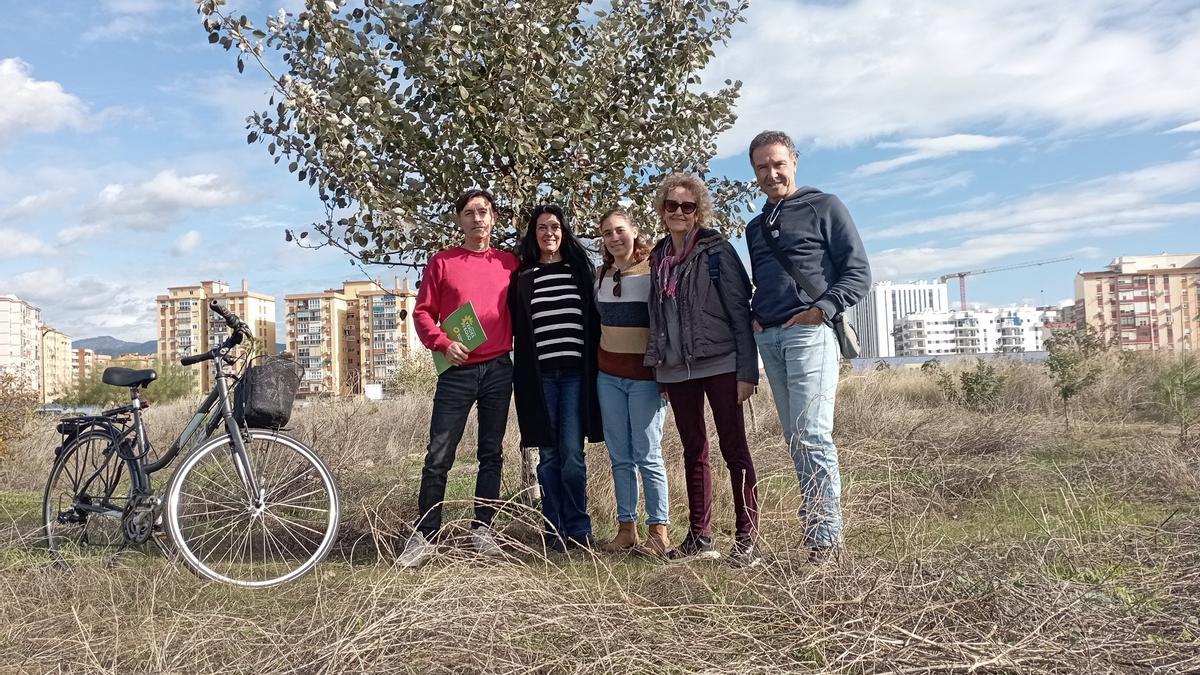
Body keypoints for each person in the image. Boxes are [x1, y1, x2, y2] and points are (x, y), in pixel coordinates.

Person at [744, 130, 871, 563]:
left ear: (794, 161)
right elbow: (764, 280)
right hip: (770, 337)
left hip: (809, 332)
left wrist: (822, 309)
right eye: (762, 167)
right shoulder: (756, 227)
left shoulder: (825, 206)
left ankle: (825, 541)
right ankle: (816, 529)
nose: (771, 172)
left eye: (778, 163)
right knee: (794, 437)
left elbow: (858, 274)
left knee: (812, 433)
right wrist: (756, 316)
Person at [397, 188, 520, 569]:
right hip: (456, 371)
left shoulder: (510, 264)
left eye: (483, 211)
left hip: (500, 369)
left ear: (494, 218)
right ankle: (425, 535)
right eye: (469, 212)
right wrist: (442, 342)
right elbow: (422, 313)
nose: (477, 218)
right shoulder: (442, 263)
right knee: (438, 455)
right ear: (459, 220)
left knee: (491, 454)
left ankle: (483, 530)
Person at [644, 172, 762, 568]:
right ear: (662, 211)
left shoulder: (716, 251)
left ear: (698, 212)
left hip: (721, 363)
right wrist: (659, 367)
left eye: (687, 206)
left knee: (734, 449)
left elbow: (739, 312)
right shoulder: (658, 257)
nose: (679, 212)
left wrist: (747, 371)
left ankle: (747, 537)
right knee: (694, 451)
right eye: (672, 205)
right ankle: (700, 535)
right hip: (677, 369)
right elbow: (656, 317)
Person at [508, 204, 603, 552]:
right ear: (534, 235)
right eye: (542, 228)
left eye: (555, 226)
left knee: (572, 455)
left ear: (564, 231)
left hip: (576, 376)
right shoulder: (522, 277)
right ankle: (553, 530)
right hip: (539, 378)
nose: (549, 233)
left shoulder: (580, 271)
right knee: (547, 455)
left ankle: (579, 527)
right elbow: (510, 322)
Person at [593, 209, 671, 556]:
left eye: (620, 230)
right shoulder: (601, 275)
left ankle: (659, 531)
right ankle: (627, 528)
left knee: (648, 454)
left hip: (645, 378)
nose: (614, 238)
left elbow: (666, 322)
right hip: (608, 377)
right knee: (619, 455)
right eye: (608, 233)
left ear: (634, 231)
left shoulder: (654, 269)